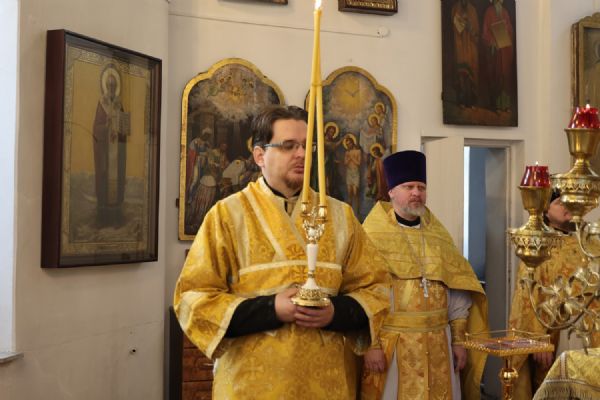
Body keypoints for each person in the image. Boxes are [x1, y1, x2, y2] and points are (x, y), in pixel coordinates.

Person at [173, 105, 390, 399]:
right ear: (259, 156)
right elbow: (193, 298)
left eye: (306, 146)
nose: (301, 154)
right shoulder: (227, 216)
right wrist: (271, 309)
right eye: (288, 146)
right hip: (251, 386)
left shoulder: (341, 216)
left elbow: (376, 289)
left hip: (328, 384)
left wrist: (334, 313)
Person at [360, 150, 488, 400]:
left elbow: (457, 291)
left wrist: (458, 341)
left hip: (440, 342)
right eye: (408, 187)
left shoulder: (439, 236)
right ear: (392, 191)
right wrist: (371, 345)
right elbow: (363, 294)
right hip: (394, 346)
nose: (416, 193)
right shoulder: (371, 236)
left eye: (421, 187)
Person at [508, 189, 600, 398]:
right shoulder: (539, 245)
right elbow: (526, 298)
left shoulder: (590, 241)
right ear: (545, 210)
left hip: (593, 331)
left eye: (569, 200)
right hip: (559, 333)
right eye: (559, 202)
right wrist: (538, 340)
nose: (566, 205)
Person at [92, 64, 130, 227]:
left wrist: (122, 128)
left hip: (117, 152)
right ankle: (103, 217)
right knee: (104, 179)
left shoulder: (119, 104)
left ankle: (116, 217)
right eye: (110, 85)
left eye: (114, 85)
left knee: (117, 179)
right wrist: (105, 126)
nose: (112, 88)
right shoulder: (102, 104)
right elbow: (95, 128)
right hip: (105, 152)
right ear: (106, 86)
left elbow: (125, 130)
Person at [482, 0, 515, 112]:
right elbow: (485, 32)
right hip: (494, 51)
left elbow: (510, 30)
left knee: (505, 75)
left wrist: (506, 29)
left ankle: (505, 105)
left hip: (504, 50)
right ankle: (496, 105)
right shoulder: (489, 12)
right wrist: (492, 42)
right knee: (496, 75)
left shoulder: (505, 12)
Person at [451, 0, 479, 108]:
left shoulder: (473, 10)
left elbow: (476, 32)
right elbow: (454, 26)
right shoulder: (455, 8)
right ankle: (462, 100)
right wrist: (461, 23)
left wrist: (469, 26)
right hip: (460, 45)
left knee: (472, 73)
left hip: (470, 47)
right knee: (461, 73)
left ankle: (472, 101)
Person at [344, 133, 362, 216]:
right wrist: (348, 158)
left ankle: (357, 212)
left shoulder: (358, 151)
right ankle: (349, 213)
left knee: (355, 192)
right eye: (347, 144)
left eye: (349, 143)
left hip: (355, 172)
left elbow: (358, 163)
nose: (348, 145)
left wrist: (351, 157)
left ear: (352, 143)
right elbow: (345, 163)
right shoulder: (346, 152)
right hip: (349, 172)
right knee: (349, 193)